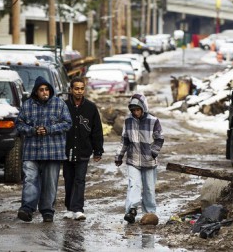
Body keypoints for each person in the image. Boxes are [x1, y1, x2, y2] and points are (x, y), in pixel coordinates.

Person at [16, 76, 72, 223]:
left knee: (50, 182)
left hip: (53, 152)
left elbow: (67, 123)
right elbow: (19, 125)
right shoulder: (27, 105)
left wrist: (49, 129)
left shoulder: (59, 104)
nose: (45, 92)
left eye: (47, 89)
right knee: (30, 179)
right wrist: (33, 130)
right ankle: (27, 209)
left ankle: (47, 212)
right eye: (41, 90)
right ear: (36, 92)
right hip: (31, 151)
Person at [115, 93, 164, 225]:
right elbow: (124, 140)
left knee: (149, 188)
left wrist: (153, 153)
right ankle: (131, 210)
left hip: (149, 161)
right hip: (133, 160)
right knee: (134, 185)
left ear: (143, 108)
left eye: (138, 109)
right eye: (133, 110)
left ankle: (149, 213)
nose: (136, 112)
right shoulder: (128, 121)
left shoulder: (153, 120)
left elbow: (159, 139)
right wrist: (119, 156)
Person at [63, 77, 104, 221]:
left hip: (84, 149)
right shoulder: (63, 106)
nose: (79, 91)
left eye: (81, 88)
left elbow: (96, 130)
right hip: (66, 149)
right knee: (68, 179)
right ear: (71, 90)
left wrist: (98, 150)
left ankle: (78, 209)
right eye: (76, 88)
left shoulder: (91, 107)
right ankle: (69, 207)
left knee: (80, 179)